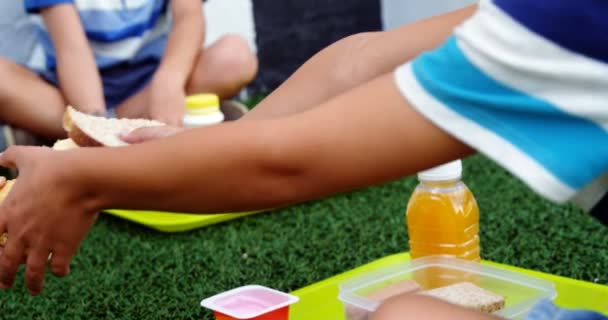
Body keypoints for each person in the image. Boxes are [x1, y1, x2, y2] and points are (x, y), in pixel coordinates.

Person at [0, 2, 605, 316]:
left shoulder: (574, 20)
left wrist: (88, 180)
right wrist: (200, 145)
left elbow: (288, 166)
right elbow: (362, 60)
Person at [0, 0, 258, 144]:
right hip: (69, 95)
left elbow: (189, 17)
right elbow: (72, 50)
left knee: (234, 57)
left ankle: (52, 137)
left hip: (150, 89)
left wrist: (169, 82)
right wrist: (95, 121)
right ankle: (181, 123)